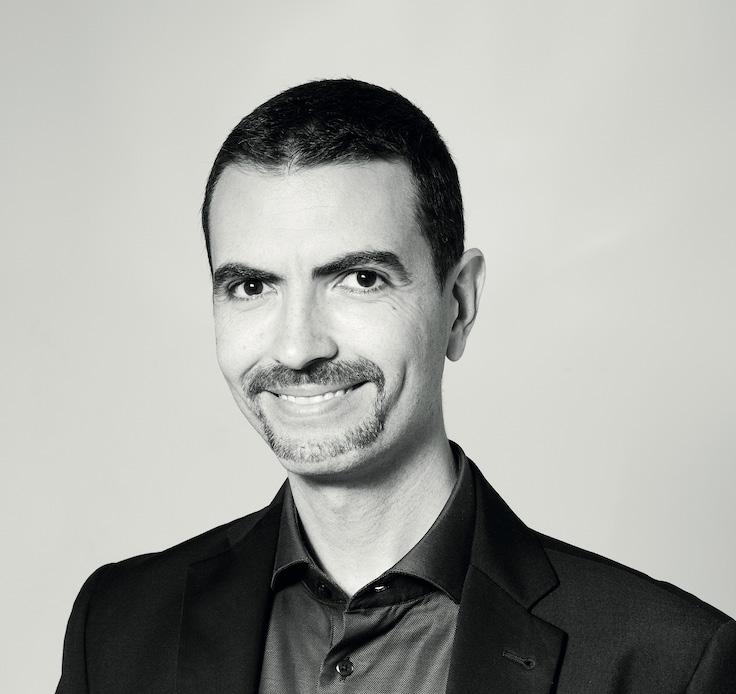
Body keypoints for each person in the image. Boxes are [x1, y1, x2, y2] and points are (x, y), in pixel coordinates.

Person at [56, 79, 735, 694]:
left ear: (458, 304)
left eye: (360, 279)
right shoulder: (115, 626)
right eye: (252, 286)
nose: (297, 348)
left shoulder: (671, 666)